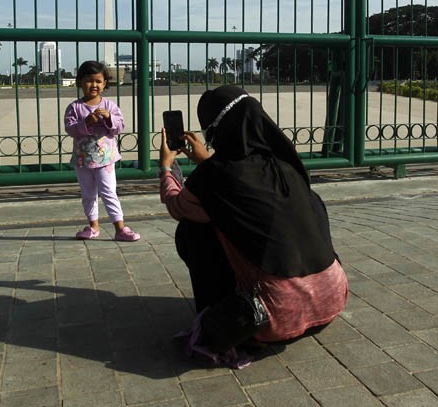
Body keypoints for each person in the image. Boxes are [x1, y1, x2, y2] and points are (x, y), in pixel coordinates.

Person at [158, 84, 348, 366]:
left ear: (214, 131)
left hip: (272, 321)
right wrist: (207, 163)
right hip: (333, 300)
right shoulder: (286, 165)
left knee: (192, 230)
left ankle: (221, 317)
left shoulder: (215, 176)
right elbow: (241, 183)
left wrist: (166, 167)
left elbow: (177, 205)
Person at [64, 60, 140, 242]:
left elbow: (119, 127)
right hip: (83, 160)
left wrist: (109, 119)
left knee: (108, 192)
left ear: (105, 83)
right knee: (88, 194)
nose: (94, 85)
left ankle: (120, 228)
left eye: (98, 81)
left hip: (105, 160)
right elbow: (70, 129)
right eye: (89, 80)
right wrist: (86, 123)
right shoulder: (74, 108)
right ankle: (93, 226)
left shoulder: (110, 106)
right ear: (80, 82)